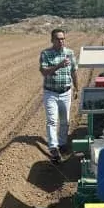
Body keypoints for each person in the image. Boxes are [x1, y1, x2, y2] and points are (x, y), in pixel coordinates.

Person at [39, 28, 78, 162]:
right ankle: (53, 147)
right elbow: (44, 72)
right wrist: (59, 65)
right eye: (58, 39)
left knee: (65, 121)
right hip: (51, 92)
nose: (61, 41)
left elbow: (73, 71)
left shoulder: (70, 53)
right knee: (52, 120)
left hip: (66, 92)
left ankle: (62, 144)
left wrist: (77, 88)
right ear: (52, 40)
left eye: (63, 38)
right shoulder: (46, 54)